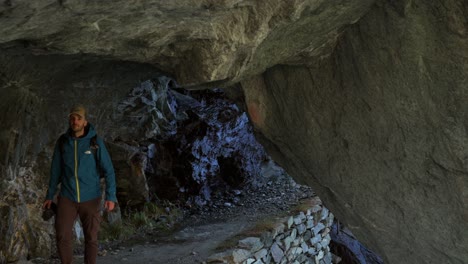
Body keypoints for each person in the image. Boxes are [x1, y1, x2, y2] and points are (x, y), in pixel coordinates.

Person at [43, 105, 117, 264]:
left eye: (78, 118)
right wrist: (50, 195)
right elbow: (55, 170)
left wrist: (111, 196)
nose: (75, 121)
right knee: (62, 234)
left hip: (91, 197)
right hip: (67, 197)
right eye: (72, 118)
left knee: (91, 237)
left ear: (85, 122)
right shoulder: (63, 142)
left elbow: (109, 170)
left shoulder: (94, 142)